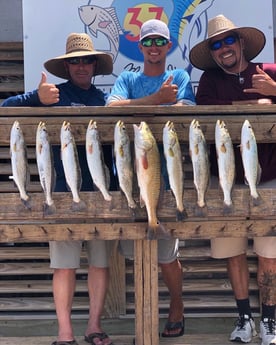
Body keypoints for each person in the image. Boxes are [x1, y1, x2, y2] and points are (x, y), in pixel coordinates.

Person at [1, 33, 115, 345]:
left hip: (98, 194)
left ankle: (94, 327)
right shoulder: (51, 94)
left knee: (100, 263)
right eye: (74, 61)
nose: (81, 66)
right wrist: (35, 99)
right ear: (66, 67)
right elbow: (5, 107)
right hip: (60, 192)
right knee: (64, 267)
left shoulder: (106, 101)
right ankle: (64, 333)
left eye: (87, 60)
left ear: (95, 65)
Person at [189, 14, 276, 345]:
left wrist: (274, 90)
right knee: (233, 251)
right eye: (216, 44)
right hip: (225, 180)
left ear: (241, 43)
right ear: (212, 53)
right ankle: (244, 318)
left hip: (269, 177)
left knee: (269, 252)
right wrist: (263, 103)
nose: (223, 48)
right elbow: (212, 115)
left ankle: (269, 321)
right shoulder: (208, 80)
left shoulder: (269, 71)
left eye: (228, 41)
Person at [107, 19, 195, 338]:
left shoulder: (180, 76)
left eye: (161, 42)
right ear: (140, 47)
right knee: (136, 255)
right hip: (130, 181)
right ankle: (146, 320)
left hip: (168, 179)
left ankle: (176, 305)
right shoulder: (128, 78)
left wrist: (146, 107)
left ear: (168, 46)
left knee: (167, 256)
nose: (155, 47)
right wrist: (156, 102)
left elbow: (186, 110)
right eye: (149, 42)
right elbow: (112, 107)